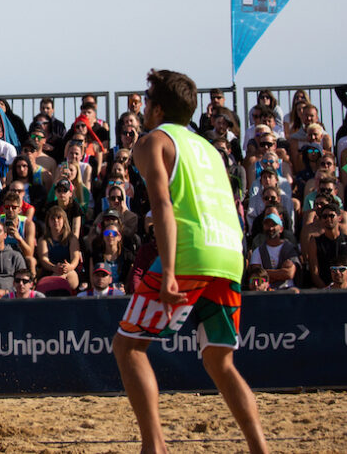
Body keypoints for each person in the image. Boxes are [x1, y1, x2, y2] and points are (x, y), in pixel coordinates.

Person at [113, 69, 268, 454]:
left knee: (128, 347)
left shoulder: (152, 142)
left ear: (158, 108)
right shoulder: (209, 149)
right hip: (230, 253)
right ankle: (261, 449)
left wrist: (166, 272)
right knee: (220, 362)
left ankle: (155, 448)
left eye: (147, 101)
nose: (143, 107)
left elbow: (163, 205)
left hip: (190, 252)